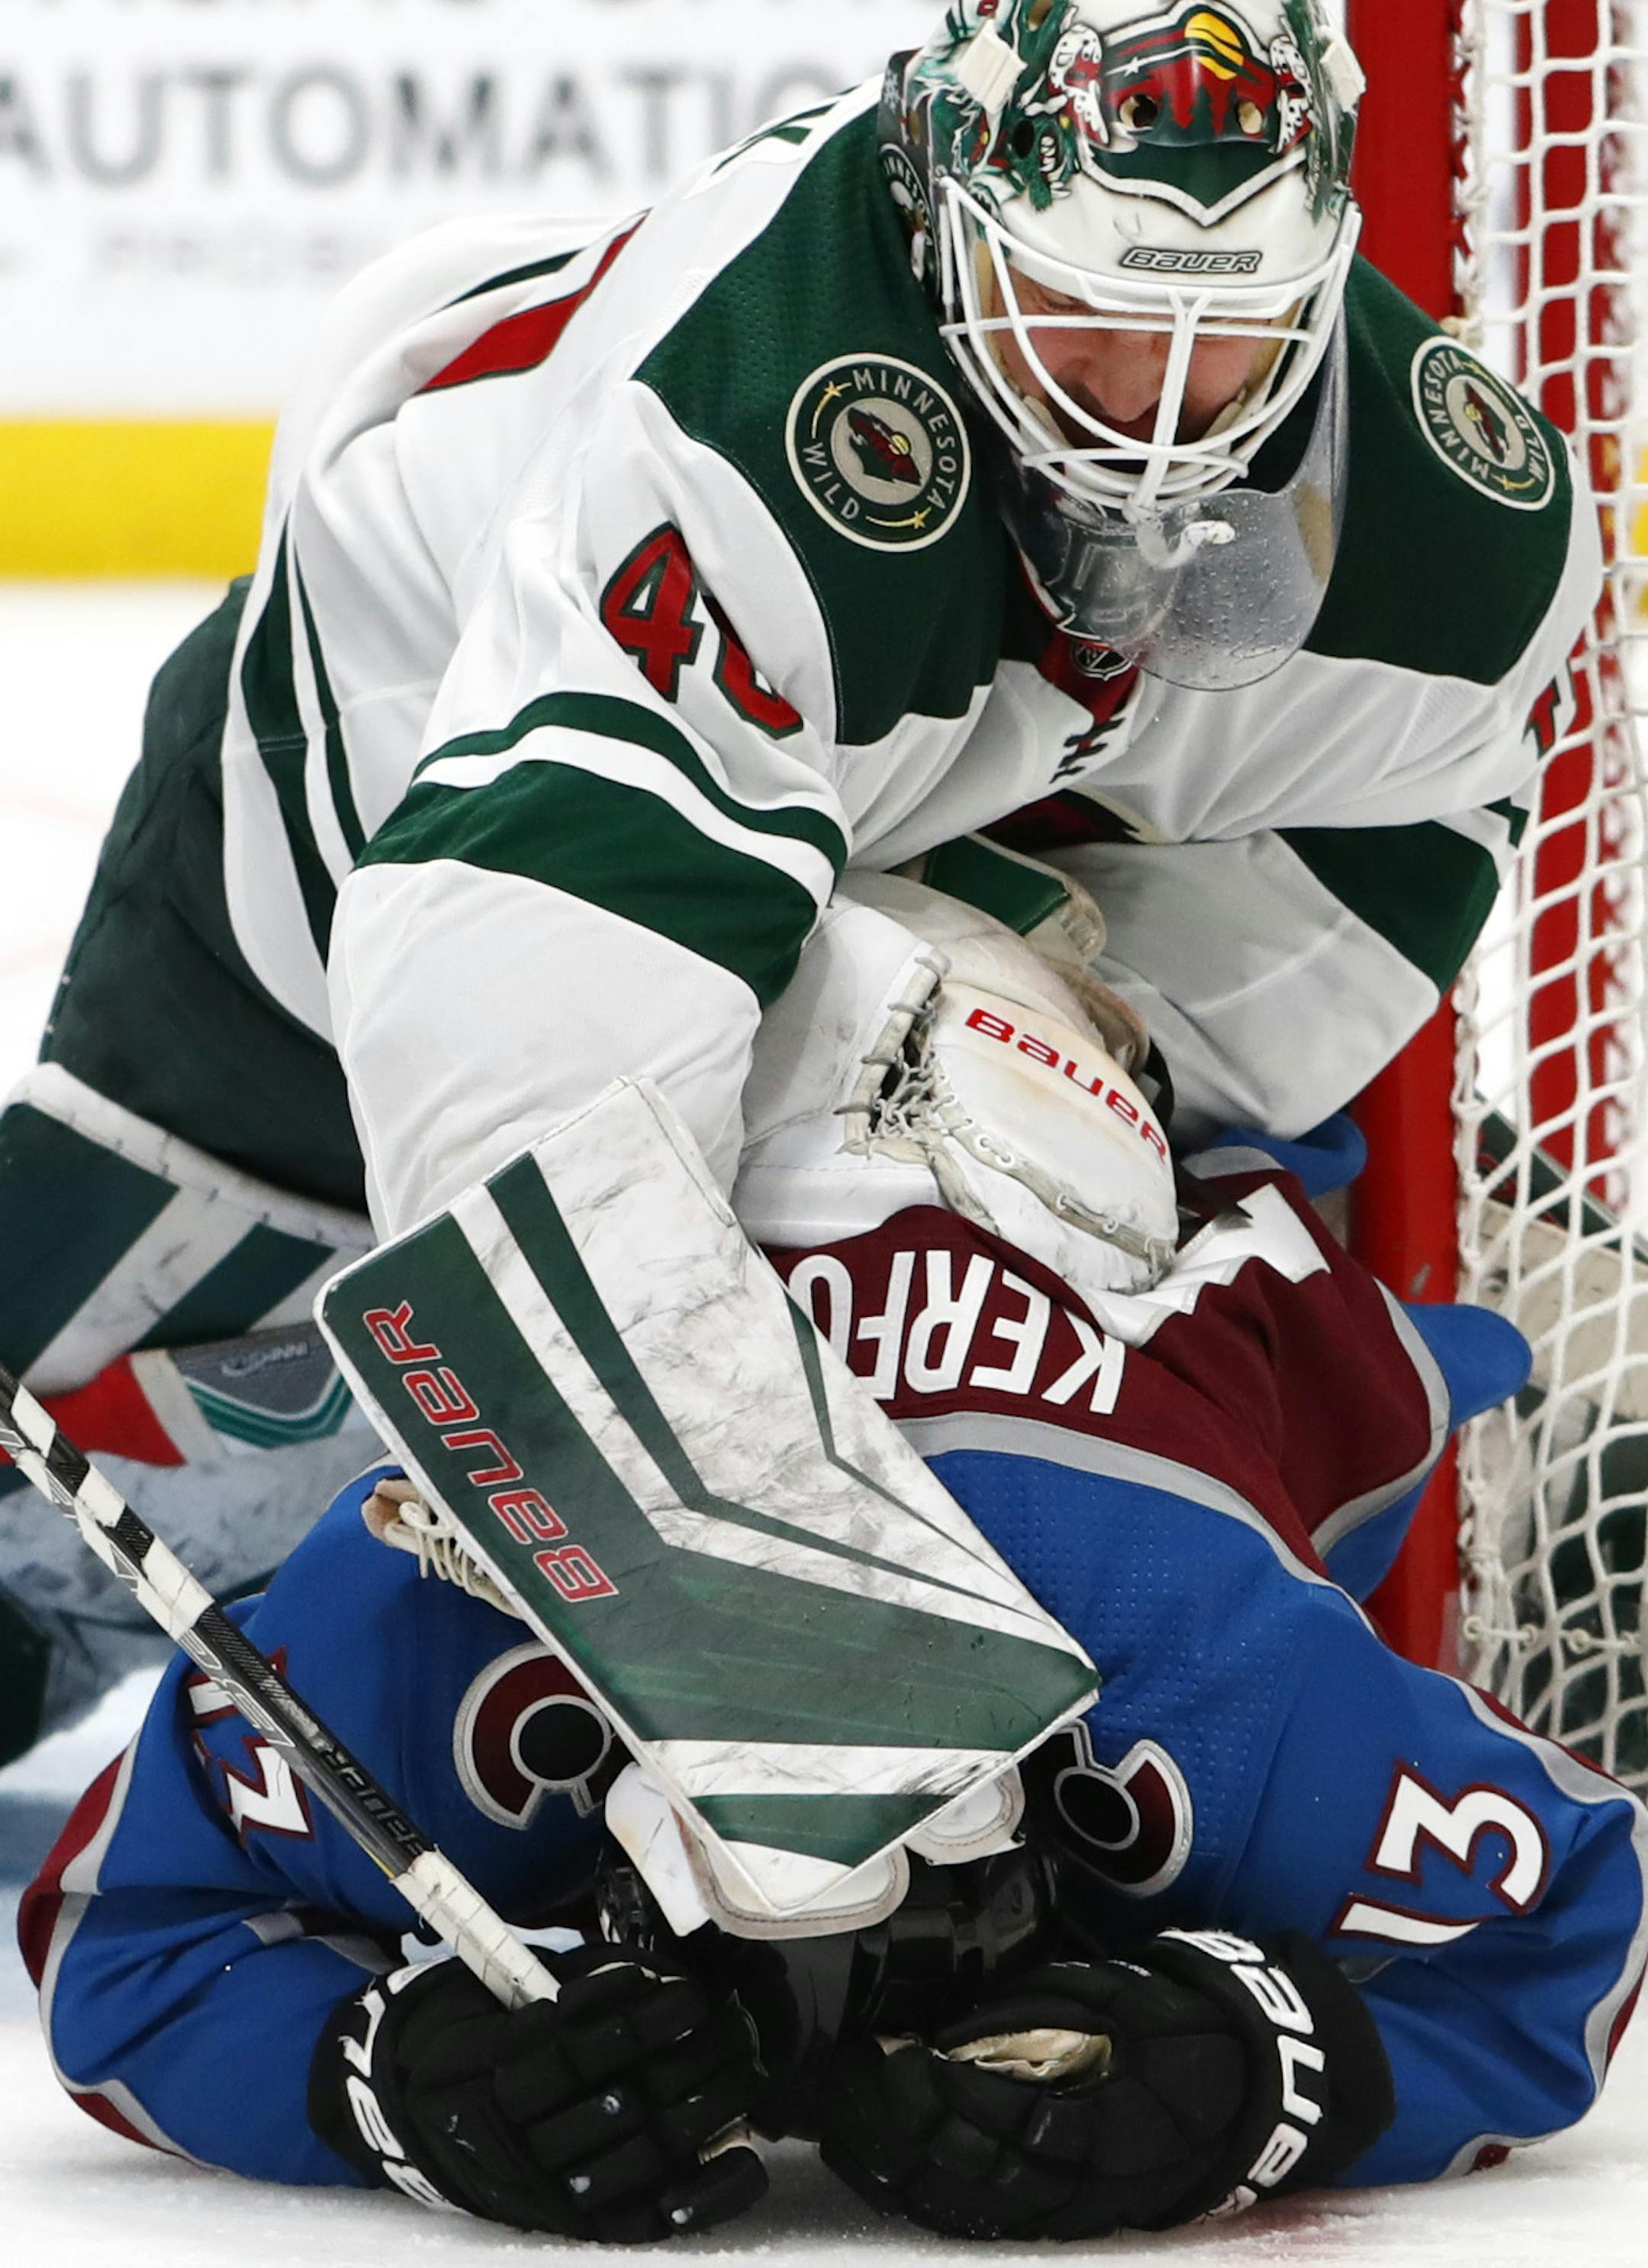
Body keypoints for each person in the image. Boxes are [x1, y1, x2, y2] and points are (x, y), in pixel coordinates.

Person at [0, 0, 1599, 1764]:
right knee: (129, 1393)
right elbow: (528, 978)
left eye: (1220, 334)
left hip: (845, 818)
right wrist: (717, 1606)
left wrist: (1075, 1115)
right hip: (338, 803)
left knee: (944, 1174)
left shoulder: (1454, 521)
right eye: (1083, 310)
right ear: (948, 202)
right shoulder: (764, 411)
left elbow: (1380, 852)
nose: (1152, 408)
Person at [19, 878, 1647, 2245]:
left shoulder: (1187, 1660)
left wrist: (1251, 2076)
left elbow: (119, 1938)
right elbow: (1567, 1912)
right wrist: (393, 2078)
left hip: (1086, 1171)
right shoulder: (440, 1622)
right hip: (746, 1151)